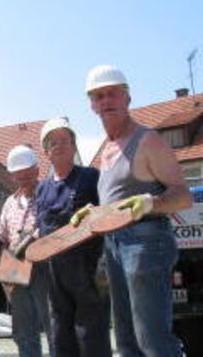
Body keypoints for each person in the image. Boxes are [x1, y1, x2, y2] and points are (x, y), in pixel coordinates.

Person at [77, 65, 192, 356]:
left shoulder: (148, 139)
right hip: (114, 245)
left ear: (127, 98)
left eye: (112, 93)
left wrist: (152, 203)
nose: (106, 101)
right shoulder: (107, 148)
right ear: (92, 105)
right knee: (127, 342)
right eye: (99, 96)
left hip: (145, 243)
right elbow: (118, 201)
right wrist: (95, 212)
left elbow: (182, 196)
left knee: (153, 341)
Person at [35, 117, 111, 357]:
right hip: (55, 274)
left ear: (74, 146)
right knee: (61, 335)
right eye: (53, 142)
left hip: (88, 271)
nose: (59, 145)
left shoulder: (90, 177)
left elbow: (108, 215)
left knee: (91, 335)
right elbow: (41, 229)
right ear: (46, 152)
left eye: (64, 140)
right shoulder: (42, 188)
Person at [0, 145, 53, 357]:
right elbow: (3, 239)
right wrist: (8, 275)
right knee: (23, 329)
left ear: (37, 170)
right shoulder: (10, 203)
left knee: (51, 324)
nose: (23, 177)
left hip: (43, 264)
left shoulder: (49, 194)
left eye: (27, 173)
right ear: (12, 175)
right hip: (15, 265)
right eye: (18, 174)